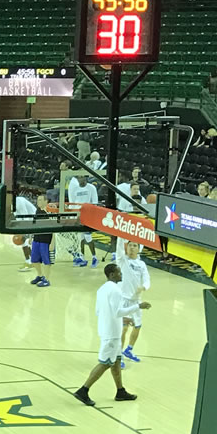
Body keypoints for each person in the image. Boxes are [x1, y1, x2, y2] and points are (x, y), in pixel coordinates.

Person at [72, 263, 142, 406]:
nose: (121, 274)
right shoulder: (116, 290)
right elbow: (117, 311)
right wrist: (138, 307)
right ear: (111, 275)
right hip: (112, 334)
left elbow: (100, 311)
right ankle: (83, 390)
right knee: (105, 363)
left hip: (107, 329)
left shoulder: (102, 289)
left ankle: (120, 391)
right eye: (118, 272)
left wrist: (123, 319)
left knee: (116, 362)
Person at [116, 240, 151, 363]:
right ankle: (118, 355)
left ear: (138, 249)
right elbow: (119, 247)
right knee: (124, 328)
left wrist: (144, 287)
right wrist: (121, 236)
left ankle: (129, 350)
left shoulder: (141, 264)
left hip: (136, 301)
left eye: (134, 246)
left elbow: (147, 280)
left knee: (138, 326)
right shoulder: (122, 260)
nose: (131, 248)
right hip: (123, 300)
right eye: (130, 245)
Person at [66, 174, 101, 266]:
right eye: (78, 177)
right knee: (80, 237)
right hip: (78, 215)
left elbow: (95, 204)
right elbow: (73, 203)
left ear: (85, 177)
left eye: (81, 177)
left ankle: (94, 257)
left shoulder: (91, 188)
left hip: (88, 215)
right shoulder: (75, 189)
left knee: (88, 236)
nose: (79, 179)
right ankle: (82, 257)